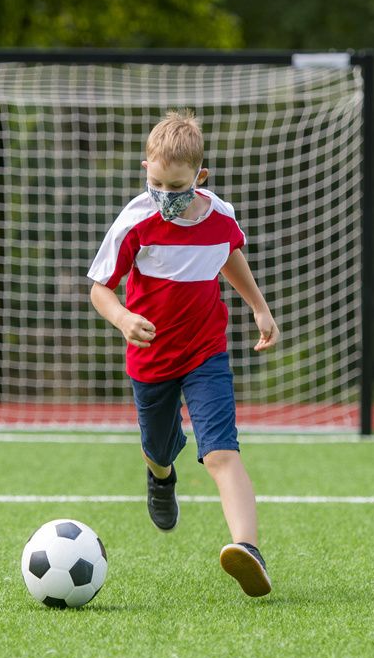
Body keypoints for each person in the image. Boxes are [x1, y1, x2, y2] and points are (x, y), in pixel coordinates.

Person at [87, 108, 280, 597]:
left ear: (200, 177)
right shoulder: (135, 220)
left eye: (177, 188)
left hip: (205, 354)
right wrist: (124, 318)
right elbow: (100, 290)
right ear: (145, 170)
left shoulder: (221, 217)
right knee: (158, 448)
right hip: (152, 359)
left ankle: (248, 550)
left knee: (220, 452)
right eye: (156, 184)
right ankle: (160, 476)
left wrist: (258, 306)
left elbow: (228, 254)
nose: (165, 197)